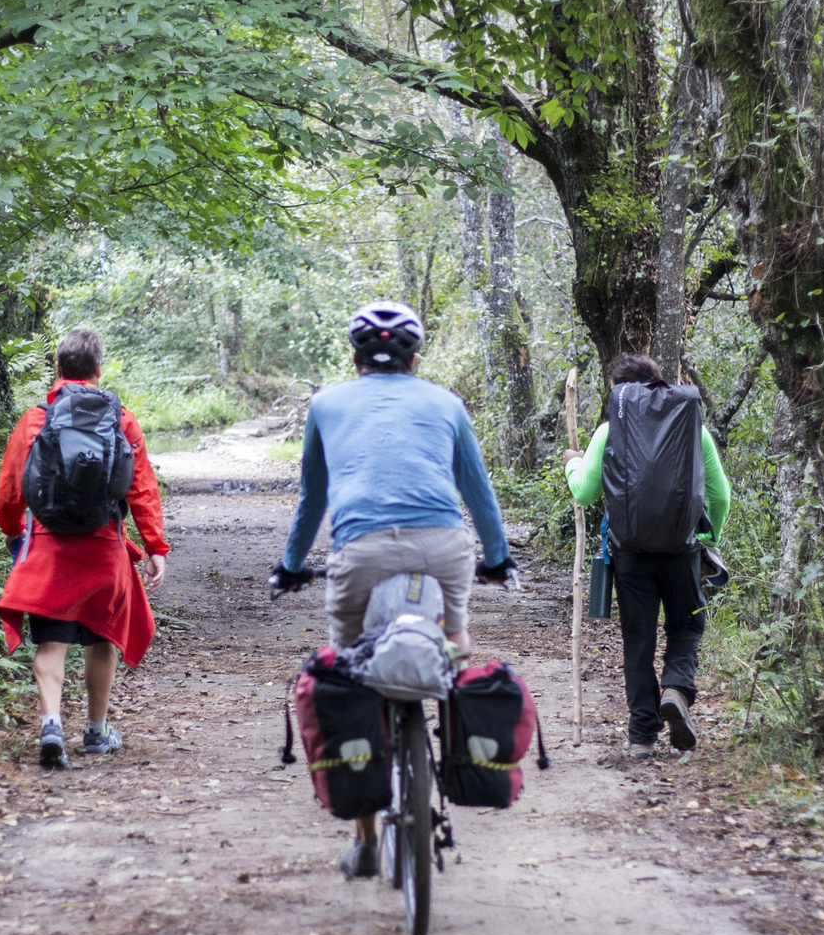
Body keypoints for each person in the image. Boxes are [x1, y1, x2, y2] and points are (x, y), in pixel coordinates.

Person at [270, 301, 516, 875]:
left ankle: (363, 840)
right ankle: (456, 744)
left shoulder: (327, 404)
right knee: (454, 640)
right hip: (443, 548)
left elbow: (313, 497)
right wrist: (498, 560)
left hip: (362, 552)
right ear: (415, 356)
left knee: (351, 667)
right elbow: (477, 491)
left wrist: (289, 565)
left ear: (354, 356)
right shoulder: (447, 404)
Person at [0, 329, 167, 769]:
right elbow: (142, 486)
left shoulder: (36, 418)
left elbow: (12, 485)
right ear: (98, 370)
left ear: (57, 369)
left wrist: (13, 530)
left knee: (51, 640)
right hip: (104, 546)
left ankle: (51, 723)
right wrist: (154, 546)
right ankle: (95, 731)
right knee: (102, 637)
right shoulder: (120, 418)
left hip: (50, 546)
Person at [566, 352, 731, 758]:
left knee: (638, 640)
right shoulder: (694, 429)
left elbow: (585, 492)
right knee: (687, 628)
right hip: (682, 549)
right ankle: (675, 688)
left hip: (630, 553)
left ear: (619, 390)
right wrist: (709, 534)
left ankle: (642, 736)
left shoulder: (609, 430)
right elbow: (721, 495)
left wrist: (572, 465)